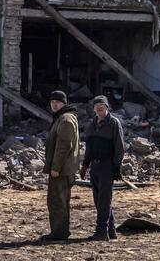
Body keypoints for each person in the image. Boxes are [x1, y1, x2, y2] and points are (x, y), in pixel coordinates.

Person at [80, 94, 125, 241]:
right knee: (98, 199)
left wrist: (116, 166)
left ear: (107, 107)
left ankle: (101, 231)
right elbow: (89, 146)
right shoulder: (91, 124)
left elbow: (120, 147)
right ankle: (111, 230)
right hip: (95, 166)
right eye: (97, 106)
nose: (99, 109)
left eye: (102, 106)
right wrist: (85, 164)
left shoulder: (114, 123)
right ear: (93, 108)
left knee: (104, 200)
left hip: (107, 166)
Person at [42, 90, 80, 241]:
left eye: (57, 102)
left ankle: (59, 233)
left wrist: (55, 168)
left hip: (62, 170)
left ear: (64, 103)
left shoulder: (65, 119)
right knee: (59, 200)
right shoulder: (64, 117)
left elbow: (64, 146)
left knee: (57, 201)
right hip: (64, 169)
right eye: (52, 102)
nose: (54, 105)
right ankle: (60, 231)